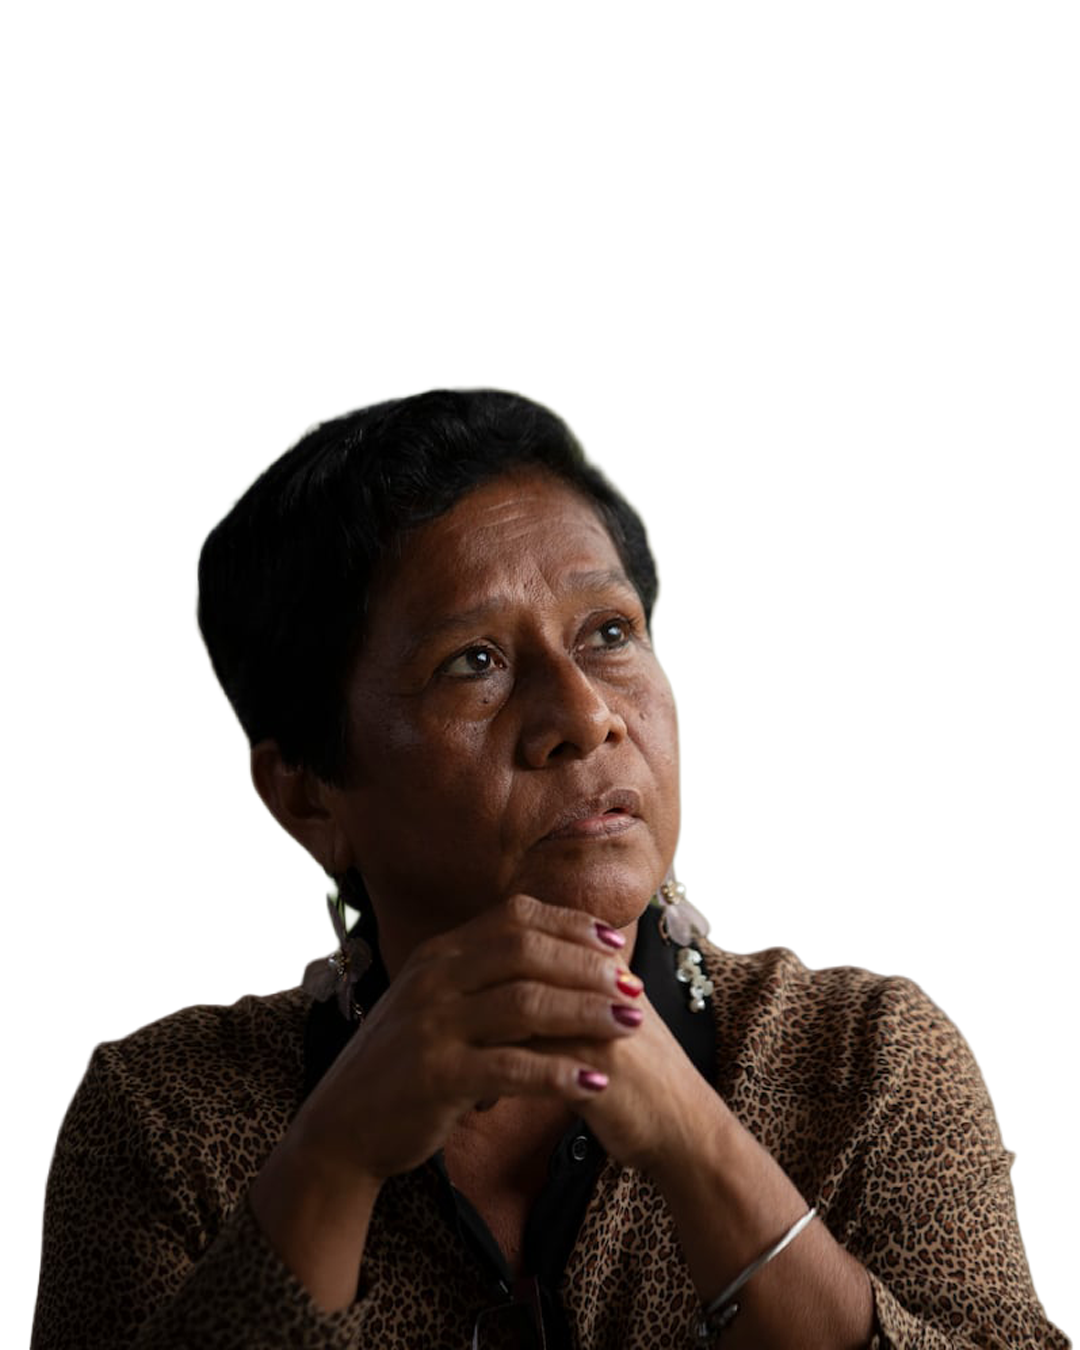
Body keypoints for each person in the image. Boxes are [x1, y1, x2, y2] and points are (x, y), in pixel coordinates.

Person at [32, 390, 1067, 1349]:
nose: (584, 714)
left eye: (609, 633)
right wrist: (333, 1163)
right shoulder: (169, 1120)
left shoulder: (863, 1064)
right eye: (473, 662)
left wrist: (700, 1149)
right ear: (310, 796)